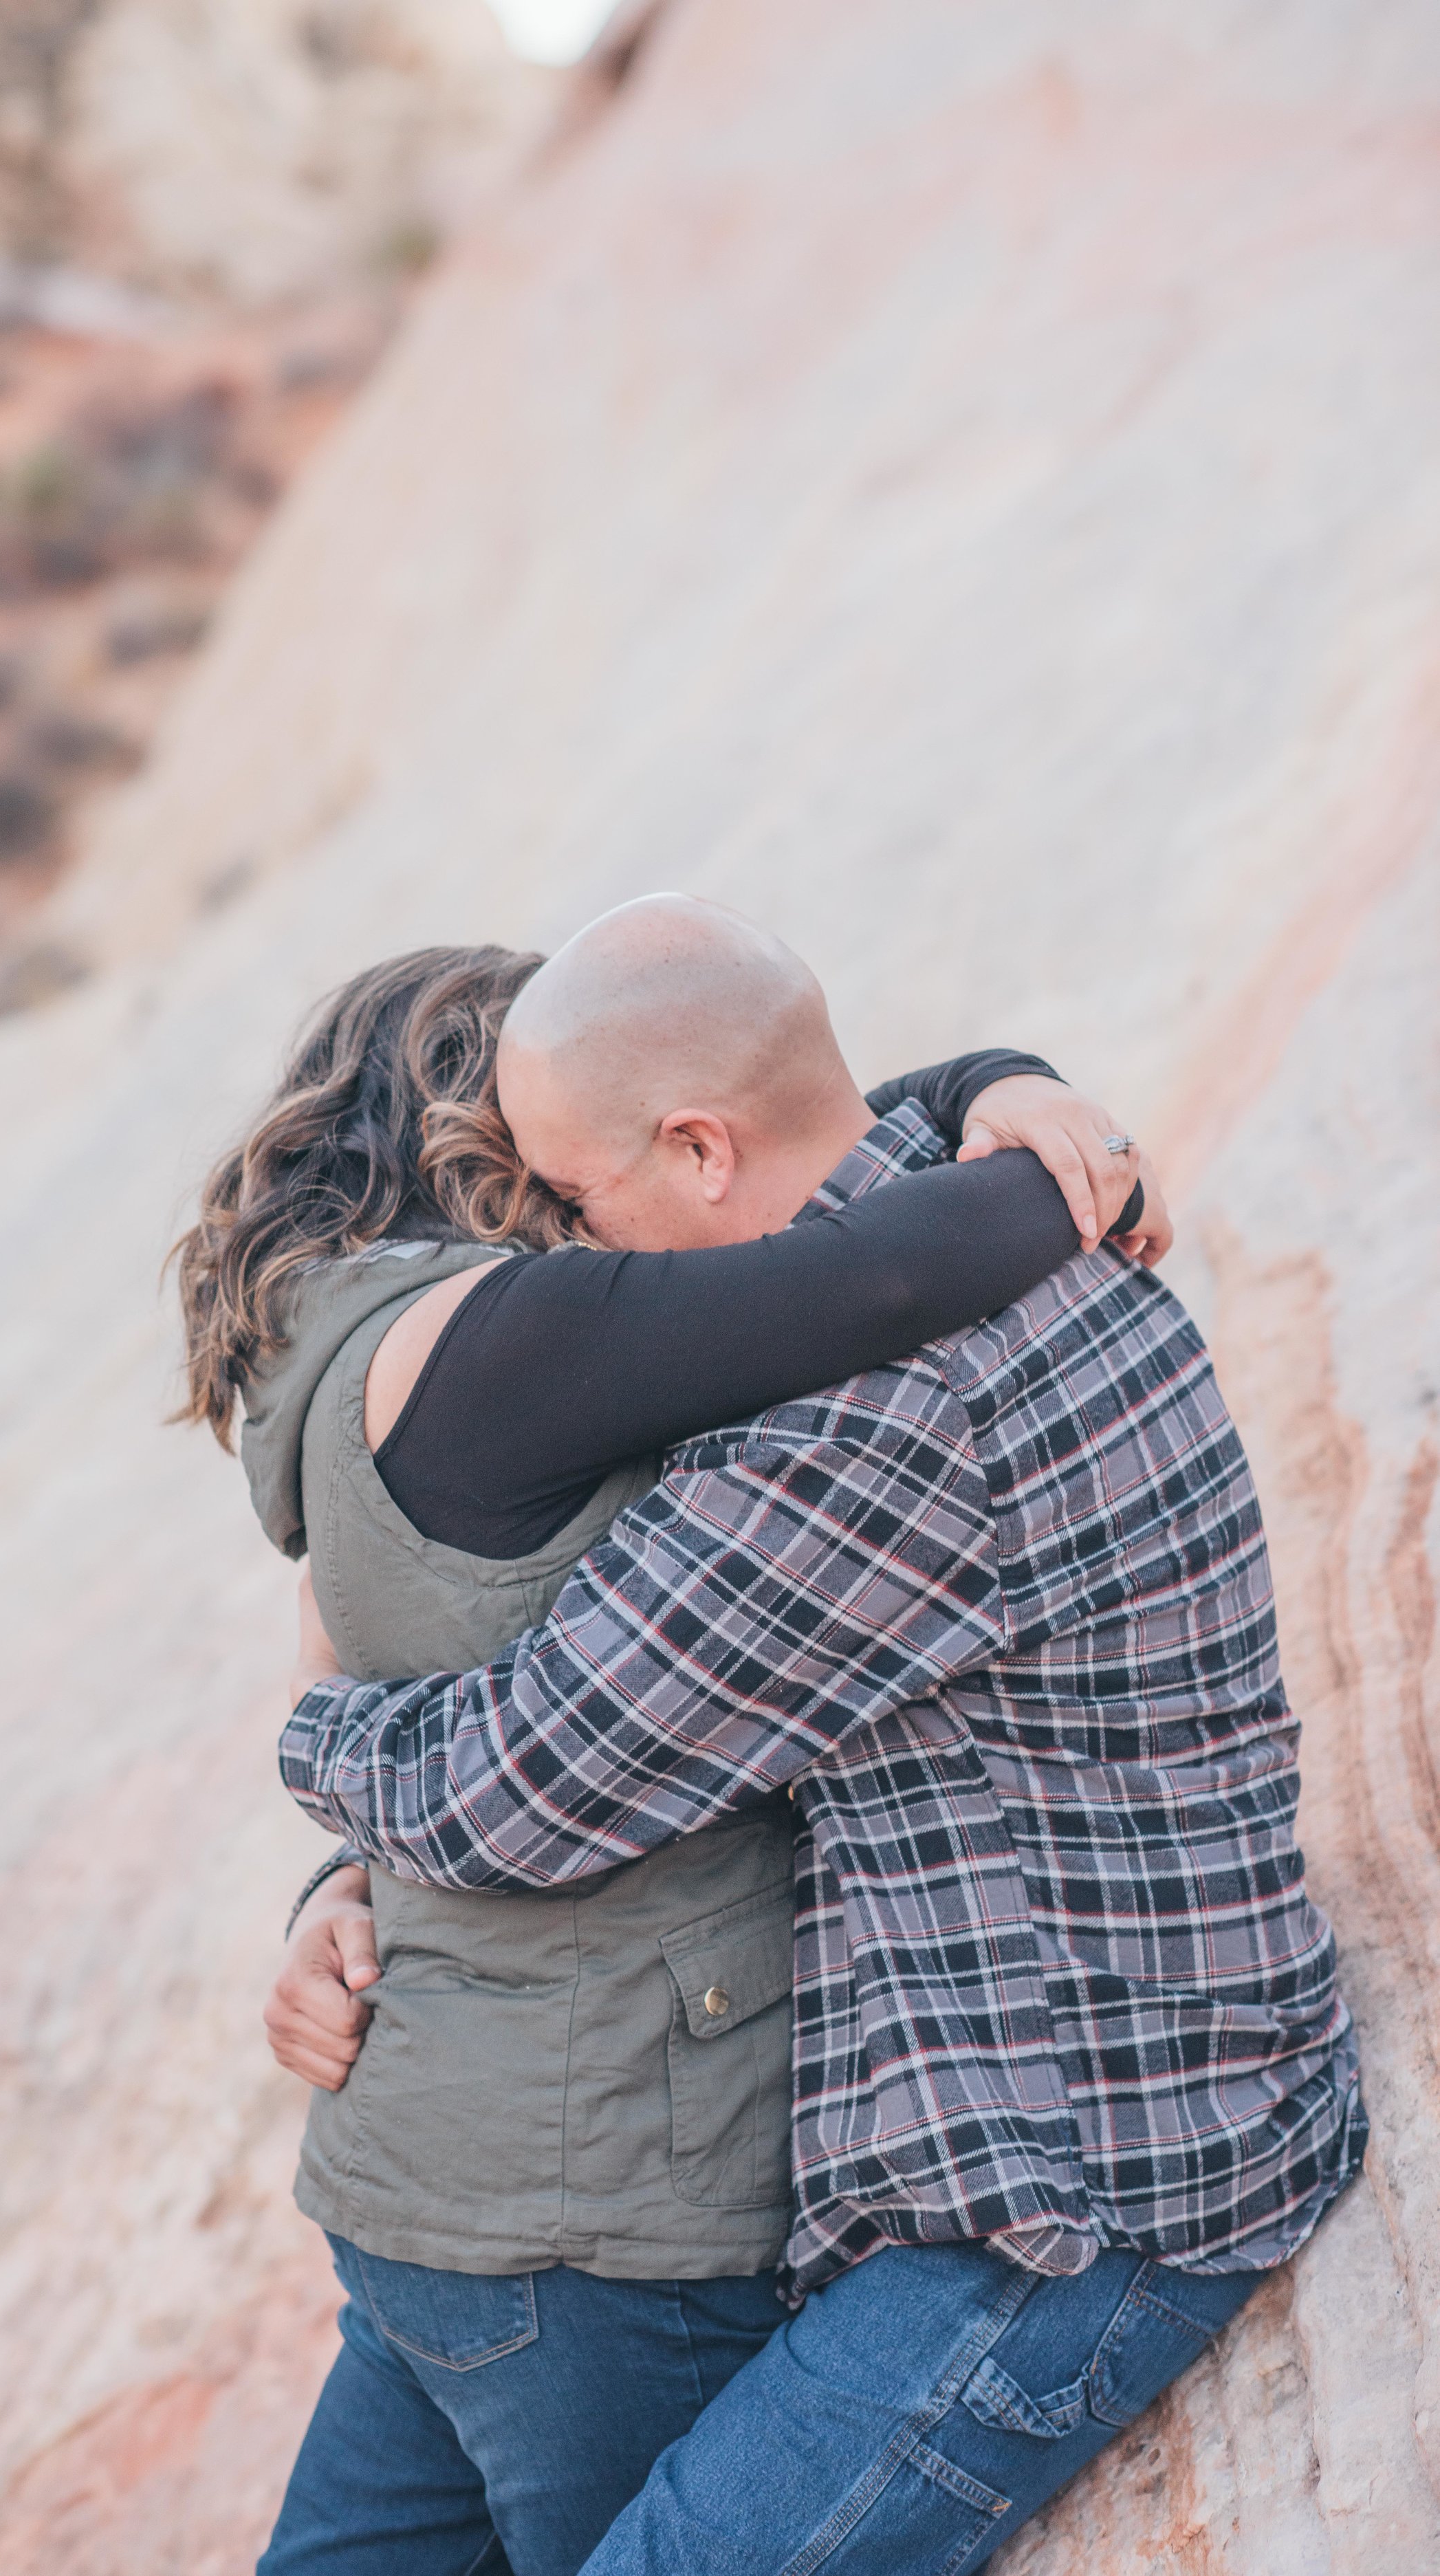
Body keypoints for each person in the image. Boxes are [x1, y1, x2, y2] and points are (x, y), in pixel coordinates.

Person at [279, 895, 1365, 2576]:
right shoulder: (976, 1229)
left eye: (573, 1198)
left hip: (1063, 2204)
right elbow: (875, 1130)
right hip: (1116, 2084)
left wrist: (319, 1715)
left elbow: (513, 1788)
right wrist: (1006, 1082)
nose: (575, 1256)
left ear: (699, 1150)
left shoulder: (858, 1429)